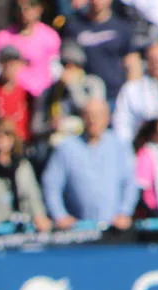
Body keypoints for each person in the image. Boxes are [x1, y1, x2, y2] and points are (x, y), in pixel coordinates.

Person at [41, 98, 139, 231]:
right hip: (78, 233)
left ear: (107, 118)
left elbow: (131, 183)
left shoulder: (120, 146)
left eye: (99, 115)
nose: (93, 120)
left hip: (113, 232)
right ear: (82, 117)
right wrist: (60, 215)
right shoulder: (67, 147)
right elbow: (51, 184)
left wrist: (124, 213)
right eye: (89, 115)